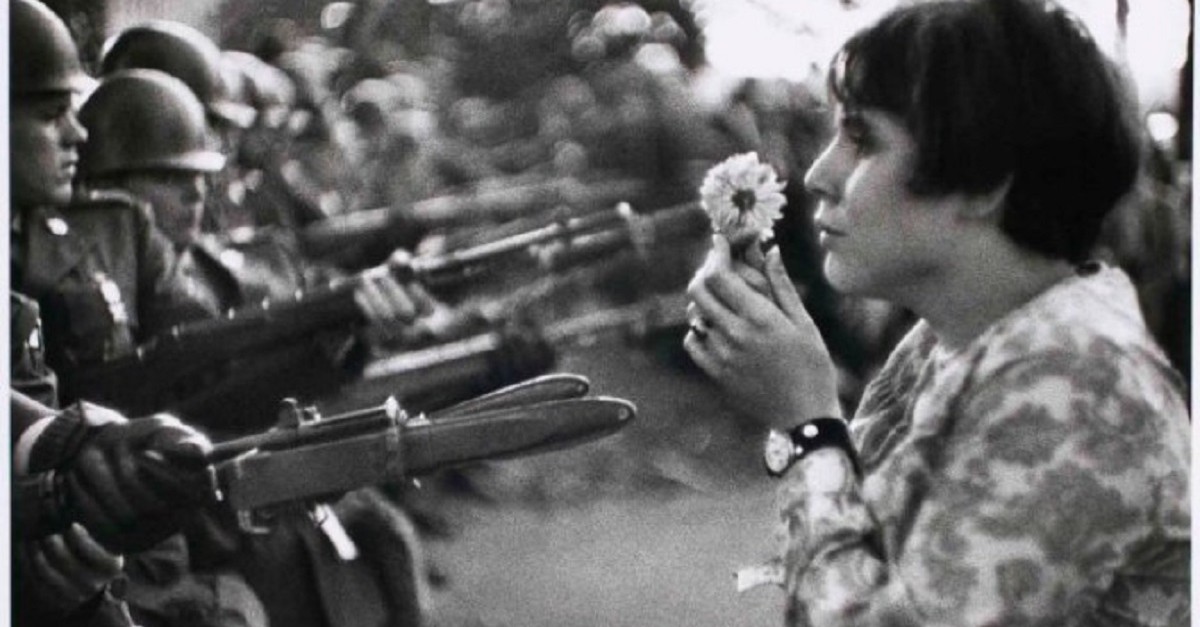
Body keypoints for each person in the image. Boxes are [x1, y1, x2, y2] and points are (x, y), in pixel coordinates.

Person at [683, 0, 1190, 624]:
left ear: (984, 183)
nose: (819, 173)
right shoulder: (954, 341)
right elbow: (861, 546)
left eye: (863, 140)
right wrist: (796, 398)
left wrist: (805, 423)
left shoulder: (1080, 380)